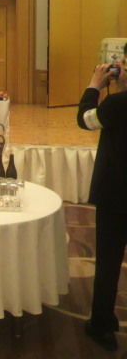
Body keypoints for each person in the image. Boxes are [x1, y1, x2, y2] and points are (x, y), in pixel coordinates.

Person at [77, 61, 127, 352]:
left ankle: (102, 325)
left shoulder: (117, 104)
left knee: (108, 262)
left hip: (115, 194)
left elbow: (85, 119)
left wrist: (95, 85)